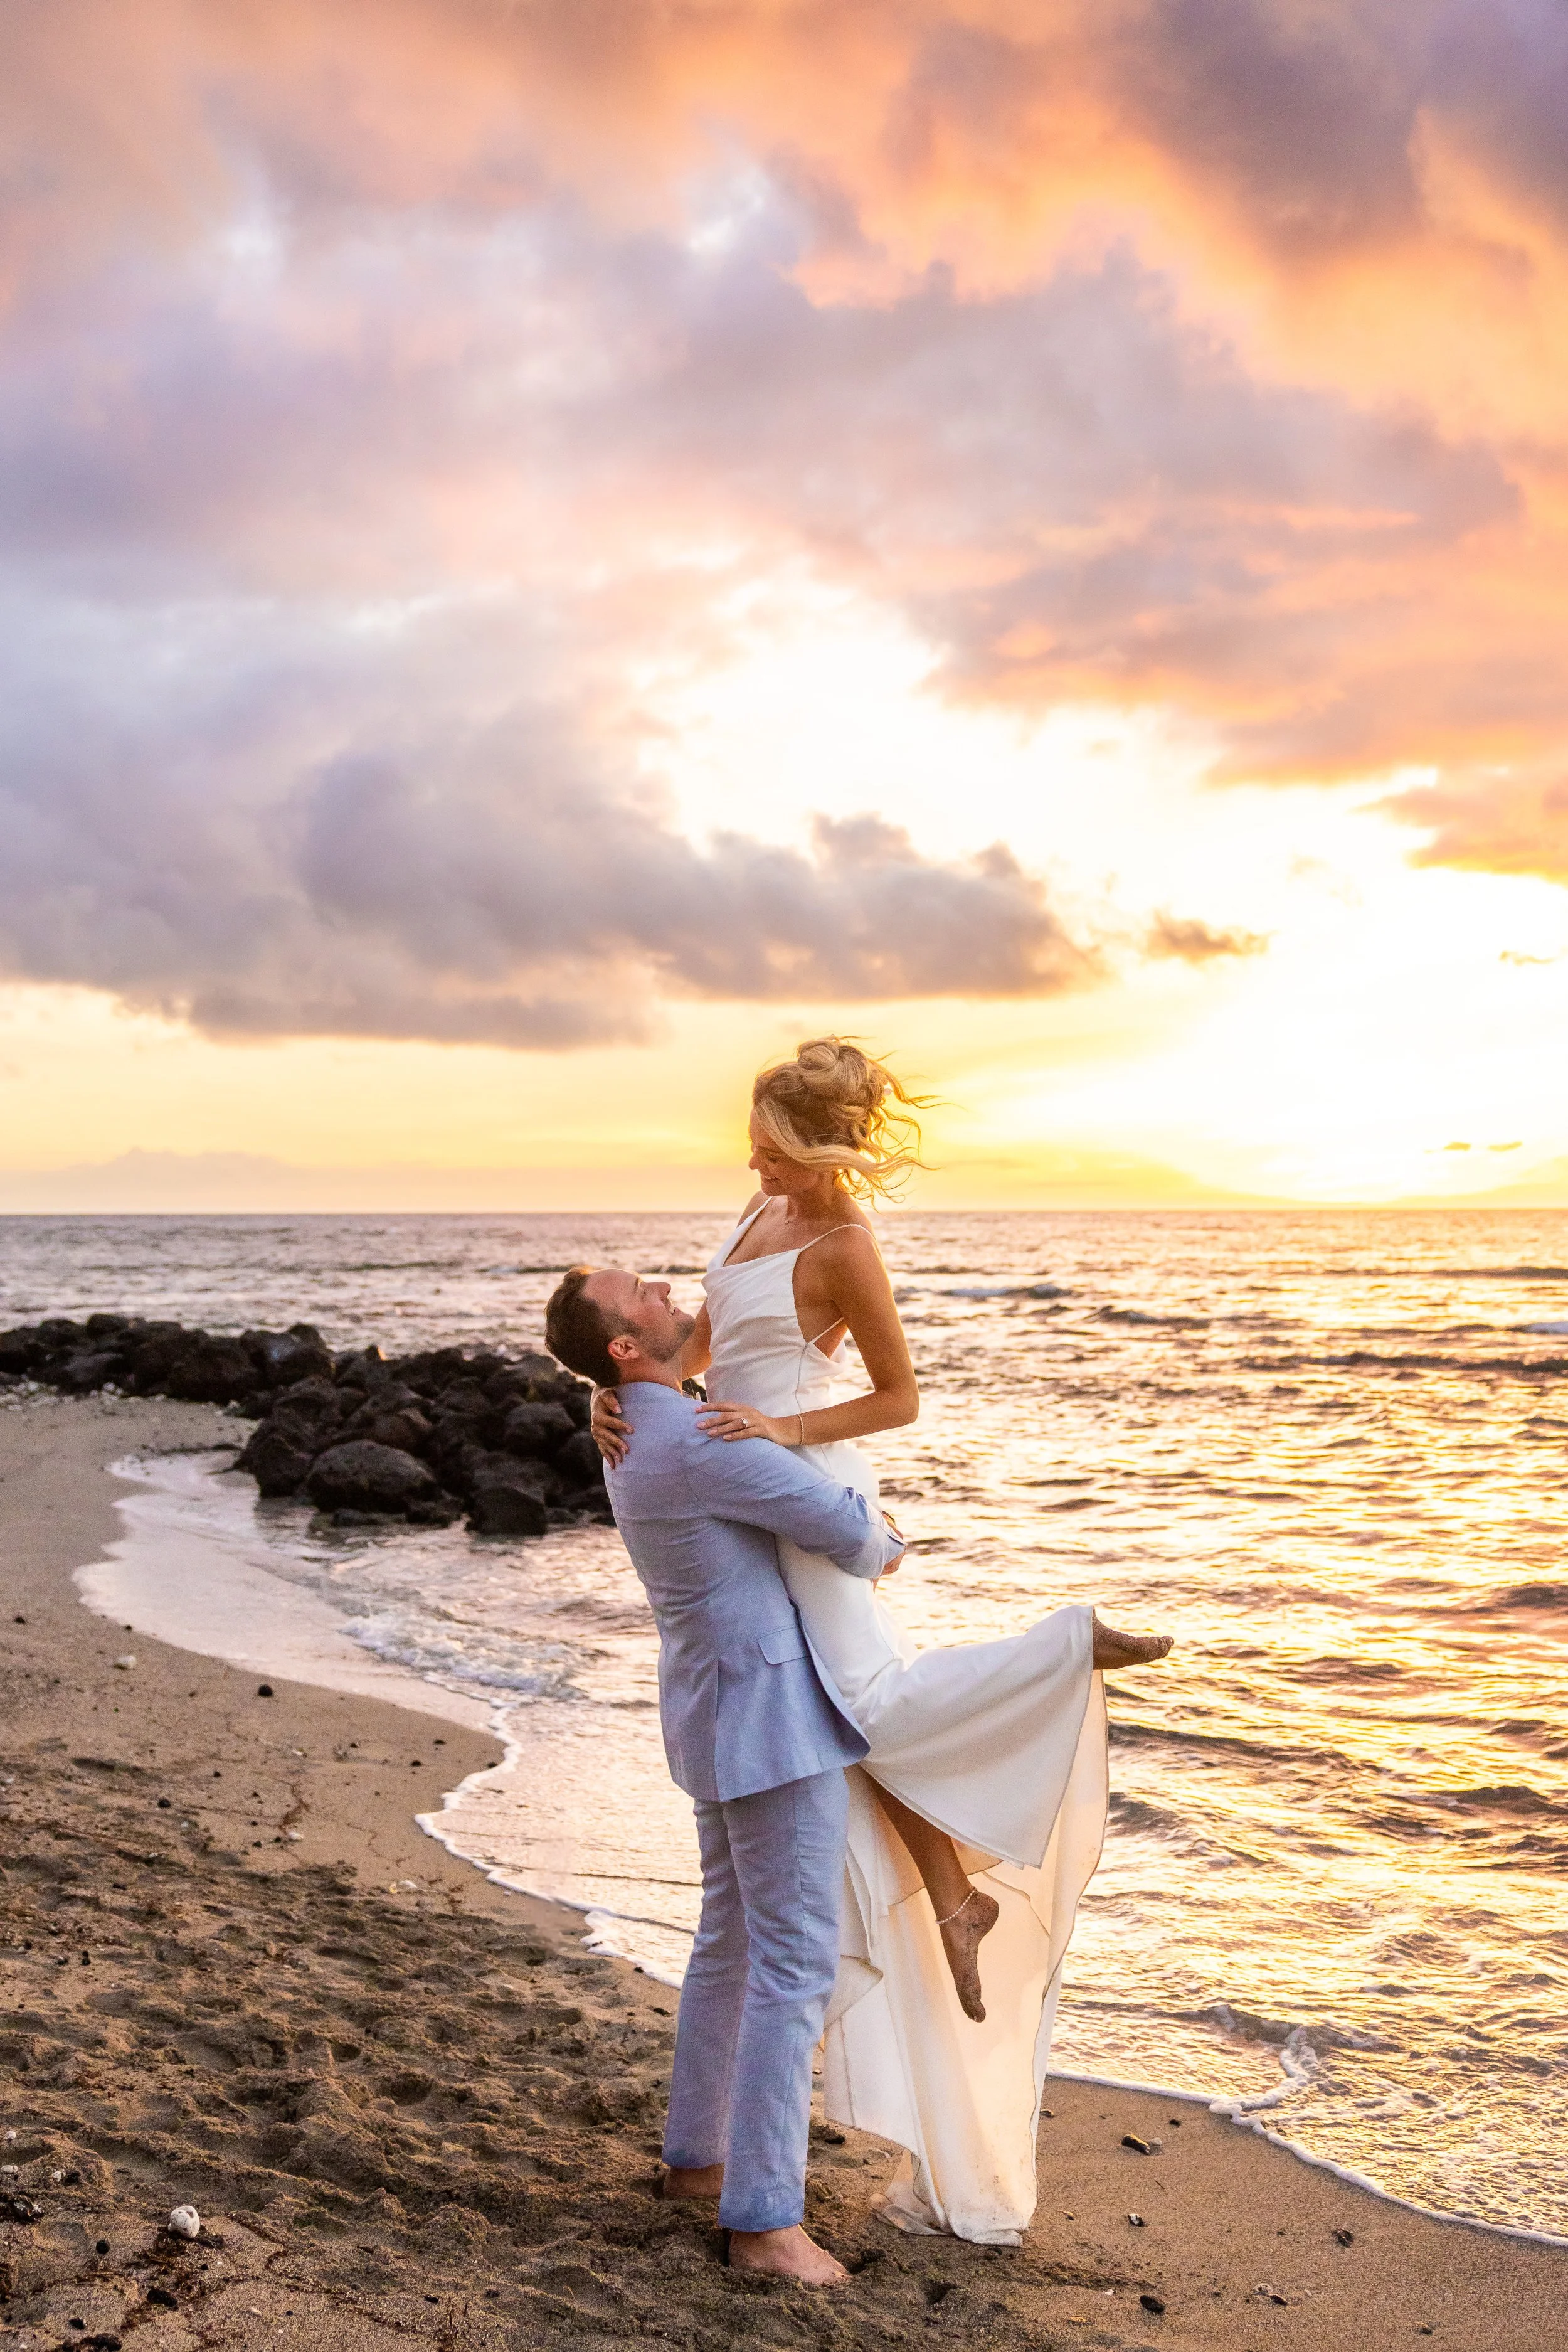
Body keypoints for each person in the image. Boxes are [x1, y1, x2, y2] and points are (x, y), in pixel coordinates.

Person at [590, 1037, 1173, 2243]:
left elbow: (899, 1398)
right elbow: (701, 1345)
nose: (749, 1160)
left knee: (871, 1704)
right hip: (751, 1465)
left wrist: (776, 1433)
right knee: (844, 1723)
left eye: (769, 1144)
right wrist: (631, 1392)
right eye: (752, 1141)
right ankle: (955, 1893)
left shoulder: (846, 1245)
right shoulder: (762, 1206)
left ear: (817, 1148)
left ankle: (1062, 1652)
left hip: (801, 1476)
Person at [544, 1260, 906, 2288]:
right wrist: (889, 1543)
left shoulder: (630, 1427)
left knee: (730, 1943)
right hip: (771, 1721)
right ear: (623, 1347)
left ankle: (695, 2160)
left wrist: (607, 1400)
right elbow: (842, 1529)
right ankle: (764, 2226)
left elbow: (689, 1370)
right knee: (793, 1965)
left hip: (710, 1712)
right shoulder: (697, 1441)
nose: (666, 1293)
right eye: (646, 1296)